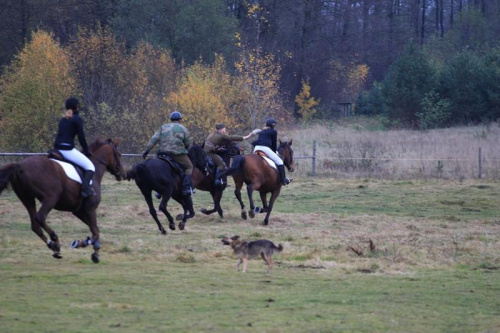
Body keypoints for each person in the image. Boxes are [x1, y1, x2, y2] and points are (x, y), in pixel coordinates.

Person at [142, 111, 194, 197]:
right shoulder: (183, 128)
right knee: (189, 166)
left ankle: (159, 191)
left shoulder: (163, 127)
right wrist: (185, 149)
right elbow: (187, 143)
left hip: (162, 153)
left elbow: (153, 139)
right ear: (180, 119)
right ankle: (186, 187)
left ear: (171, 119)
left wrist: (146, 151)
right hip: (177, 153)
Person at [53, 97, 96, 198]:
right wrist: (87, 150)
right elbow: (81, 137)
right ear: (76, 107)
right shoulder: (77, 119)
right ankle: (85, 189)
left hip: (57, 149)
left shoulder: (63, 119)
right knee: (90, 167)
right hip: (67, 150)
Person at [252, 117, 291, 185]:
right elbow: (274, 143)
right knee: (280, 162)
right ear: (273, 125)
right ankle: (283, 179)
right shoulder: (273, 131)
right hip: (265, 148)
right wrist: (274, 151)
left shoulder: (262, 131)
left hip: (256, 148)